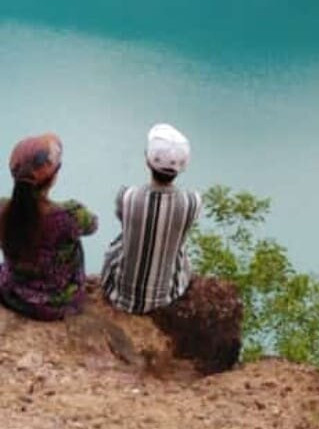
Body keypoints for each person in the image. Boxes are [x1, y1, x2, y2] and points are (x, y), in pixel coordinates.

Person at [101, 123, 201, 314]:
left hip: (119, 293)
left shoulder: (127, 196)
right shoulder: (192, 202)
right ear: (182, 167)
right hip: (166, 296)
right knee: (179, 242)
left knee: (122, 238)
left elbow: (123, 220)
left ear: (147, 161)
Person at [0, 133, 98, 321]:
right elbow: (93, 225)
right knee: (73, 241)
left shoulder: (2, 209)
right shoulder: (70, 215)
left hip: (12, 295)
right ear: (53, 177)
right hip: (56, 303)